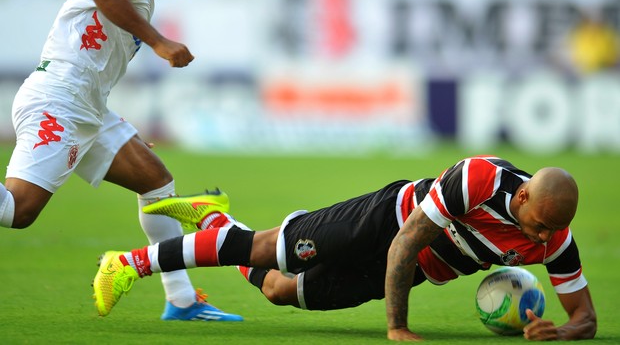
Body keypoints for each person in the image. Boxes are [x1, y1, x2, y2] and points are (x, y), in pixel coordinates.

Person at [0, 0, 242, 322]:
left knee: (156, 181)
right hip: (59, 101)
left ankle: (182, 300)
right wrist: (160, 43)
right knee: (17, 210)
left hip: (87, 109)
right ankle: (182, 300)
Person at [93, 155, 597, 340]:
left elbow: (586, 317)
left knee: (280, 291)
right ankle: (129, 263)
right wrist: (397, 327)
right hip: (384, 222)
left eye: (552, 231)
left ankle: (213, 217)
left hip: (415, 267)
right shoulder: (478, 179)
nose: (542, 238)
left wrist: (563, 332)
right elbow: (404, 243)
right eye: (539, 225)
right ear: (523, 196)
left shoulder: (555, 237)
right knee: (269, 251)